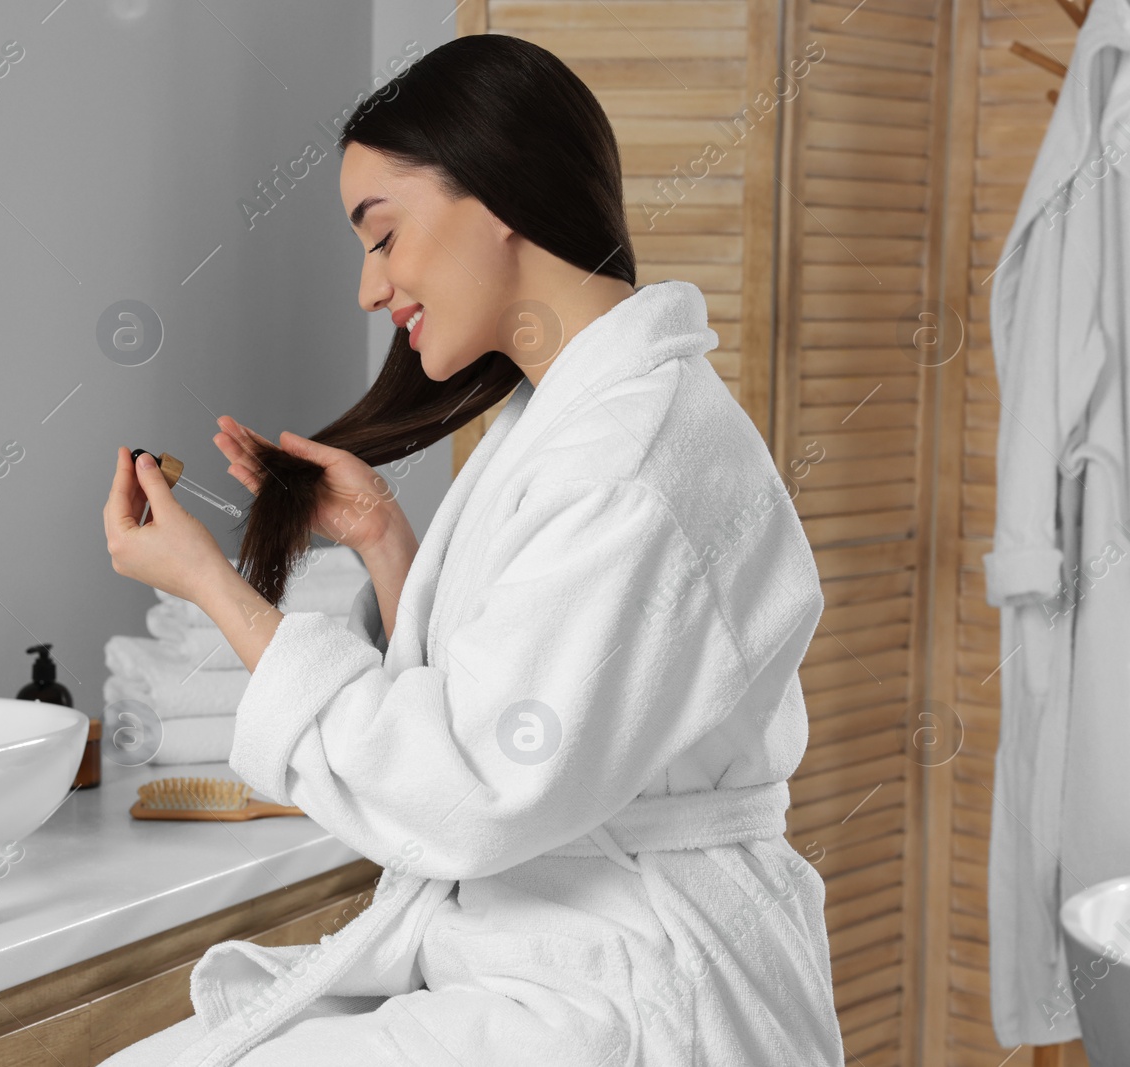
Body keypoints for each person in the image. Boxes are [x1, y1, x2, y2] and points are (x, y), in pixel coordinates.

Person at [100, 32, 846, 1067]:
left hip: (626, 977)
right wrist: (384, 542)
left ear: (498, 199)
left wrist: (211, 587)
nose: (369, 288)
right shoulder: (565, 419)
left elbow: (471, 784)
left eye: (382, 234)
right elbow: (504, 711)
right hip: (548, 949)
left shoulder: (629, 457)